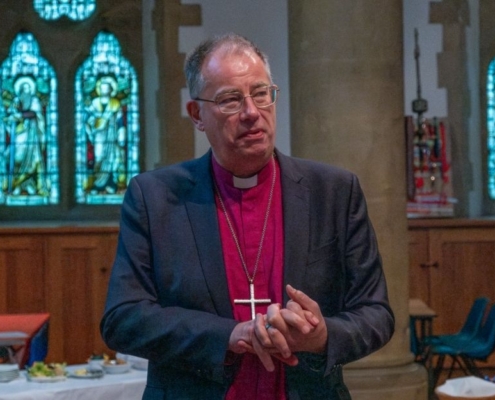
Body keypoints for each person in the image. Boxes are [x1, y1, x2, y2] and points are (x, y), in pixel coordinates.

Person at [100, 33, 394, 400]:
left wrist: (322, 337)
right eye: (229, 100)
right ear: (197, 115)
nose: (252, 112)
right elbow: (123, 319)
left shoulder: (333, 191)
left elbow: (376, 313)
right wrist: (228, 335)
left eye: (261, 93)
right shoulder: (156, 197)